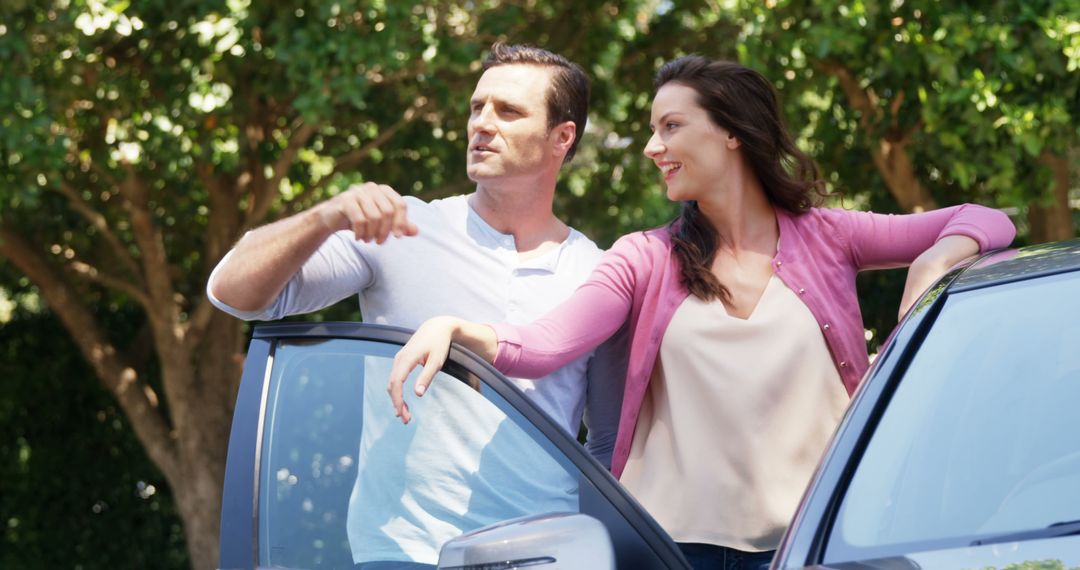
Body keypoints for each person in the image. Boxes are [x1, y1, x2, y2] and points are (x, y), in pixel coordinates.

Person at [387, 55, 1017, 570]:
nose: (651, 147)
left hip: (816, 545)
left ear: (731, 133)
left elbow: (986, 219)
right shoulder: (643, 258)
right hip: (674, 553)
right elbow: (546, 344)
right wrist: (455, 327)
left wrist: (931, 270)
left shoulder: (829, 235)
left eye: (671, 127)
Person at [207, 43, 625, 568]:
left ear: (562, 138)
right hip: (402, 551)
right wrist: (322, 217)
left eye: (508, 111)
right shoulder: (403, 228)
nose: (482, 123)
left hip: (545, 557)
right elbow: (232, 294)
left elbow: (608, 440)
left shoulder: (597, 272)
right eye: (477, 107)